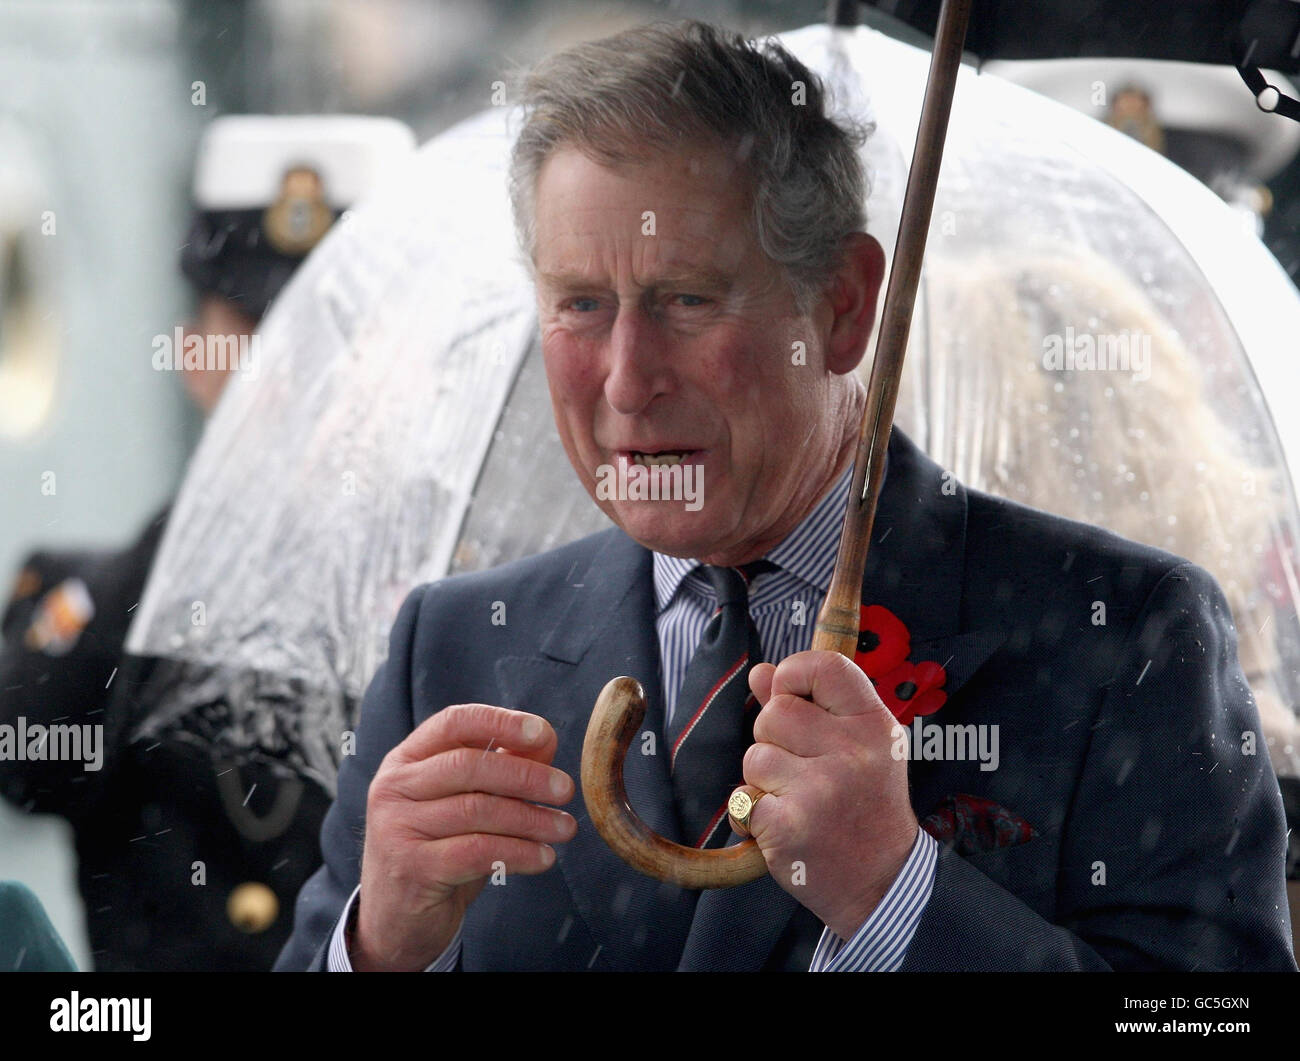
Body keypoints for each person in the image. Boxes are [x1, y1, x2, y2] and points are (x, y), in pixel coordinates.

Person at [276, 20, 1296, 972]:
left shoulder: (1122, 636)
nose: (627, 381)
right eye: (581, 304)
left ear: (843, 307)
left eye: (686, 299)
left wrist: (897, 891)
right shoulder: (449, 648)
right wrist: (373, 944)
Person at [0, 115, 415, 970]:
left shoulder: (469, 587)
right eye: (257, 333)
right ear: (194, 353)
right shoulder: (103, 589)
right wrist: (217, 510)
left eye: (328, 335)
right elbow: (24, 751)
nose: (291, 373)